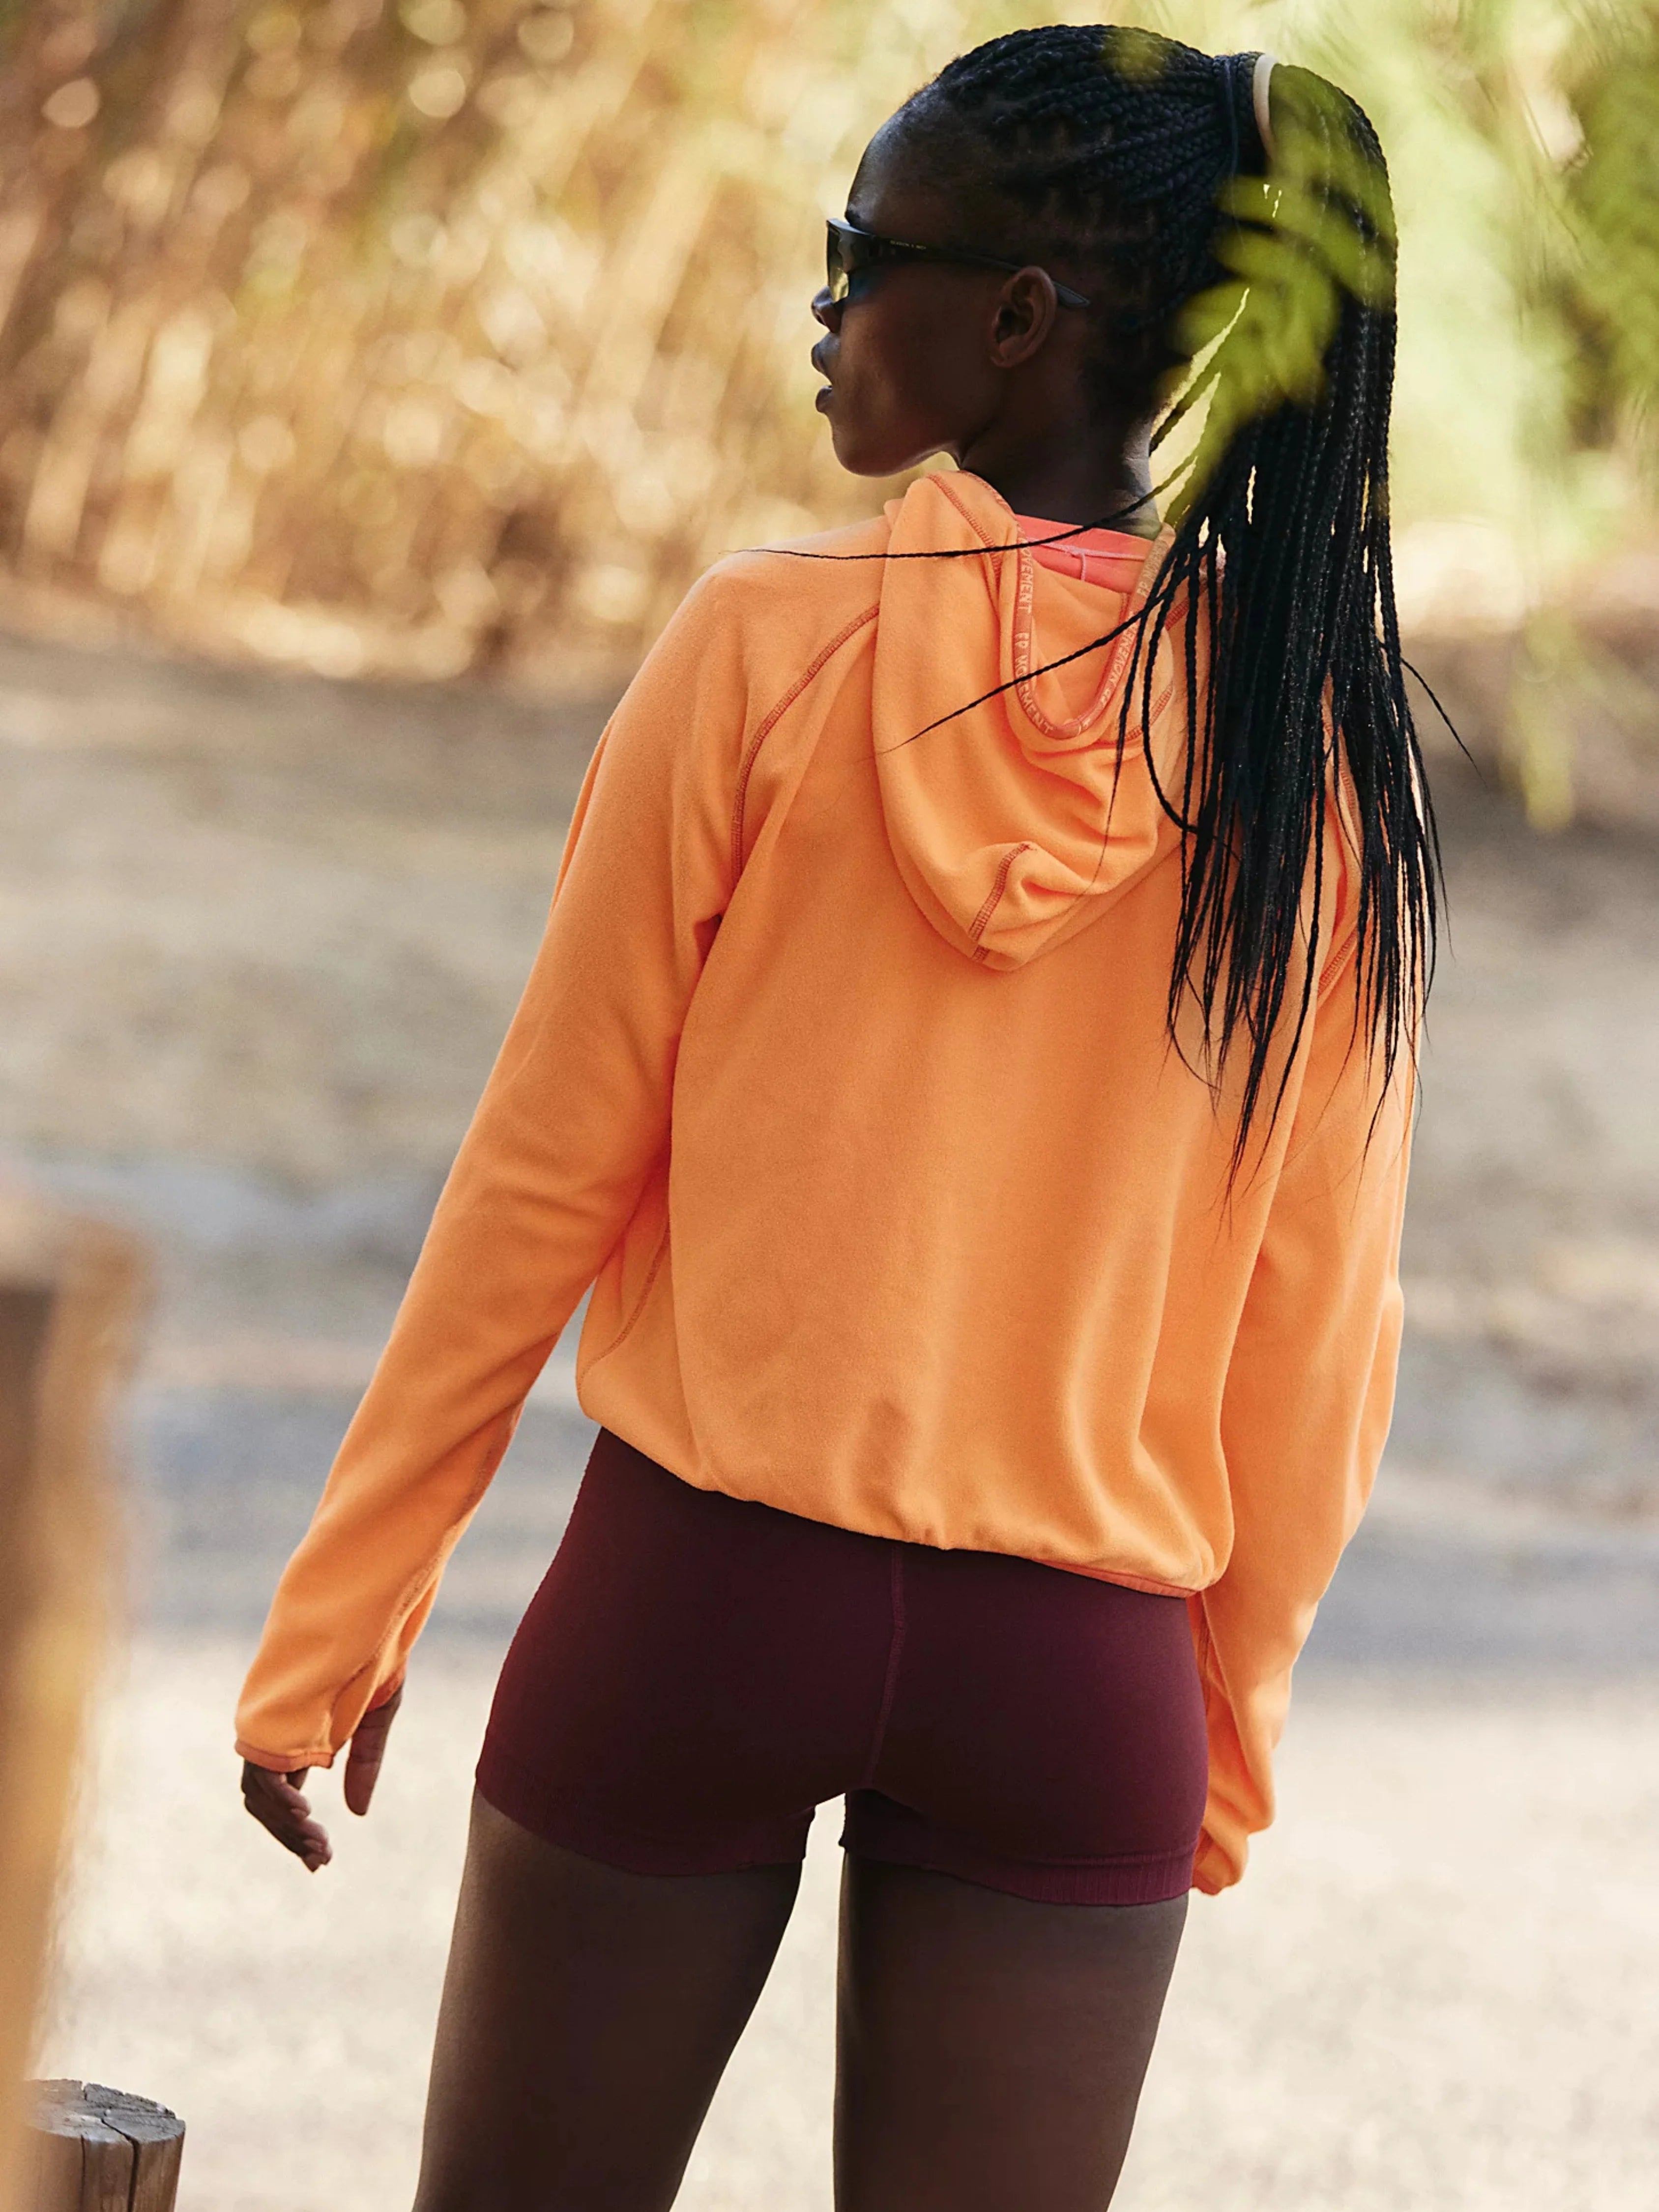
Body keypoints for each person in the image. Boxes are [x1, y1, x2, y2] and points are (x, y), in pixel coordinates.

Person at [238, 26, 1436, 2211]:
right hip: (1078, 1677)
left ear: (1015, 320)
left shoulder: (761, 646)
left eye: (858, 252)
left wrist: (349, 1607)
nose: (822, 307)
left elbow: (545, 1166)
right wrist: (1224, 1733)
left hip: (698, 1604)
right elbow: (1319, 1324)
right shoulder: (1303, 751)